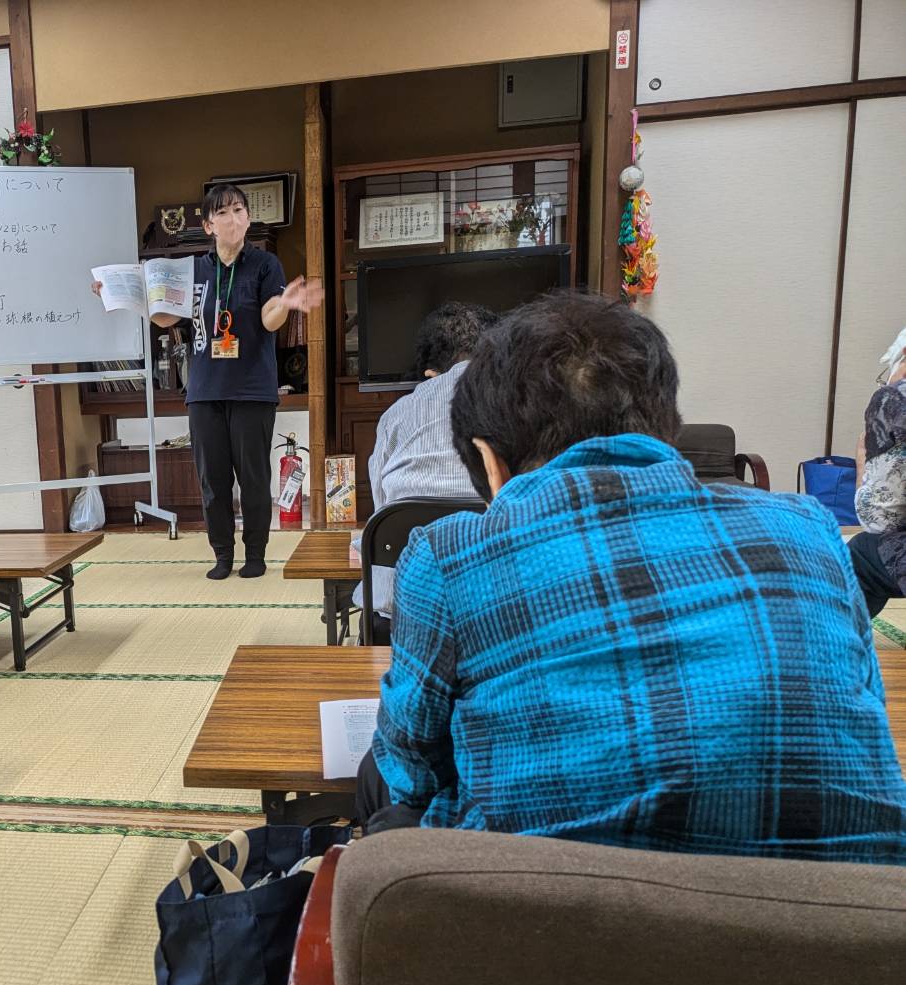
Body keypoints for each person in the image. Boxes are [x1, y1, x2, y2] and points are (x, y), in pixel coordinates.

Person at [357, 290, 906, 865]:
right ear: (666, 425)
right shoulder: (809, 528)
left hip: (550, 904)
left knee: (384, 783)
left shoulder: (450, 555)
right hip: (843, 907)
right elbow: (863, 710)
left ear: (489, 461)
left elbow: (411, 771)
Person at [95, 185, 323, 579]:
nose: (233, 218)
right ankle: (222, 554)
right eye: (223, 212)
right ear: (208, 225)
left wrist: (285, 303)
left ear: (248, 218)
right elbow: (166, 316)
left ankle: (255, 554)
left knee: (254, 478)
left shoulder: (265, 264)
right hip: (204, 391)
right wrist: (123, 296)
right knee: (212, 480)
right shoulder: (193, 270)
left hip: (252, 390)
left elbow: (269, 318)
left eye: (239, 210)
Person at [359, 302, 496, 620]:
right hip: (493, 604)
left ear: (431, 370)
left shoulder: (397, 413)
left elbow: (381, 507)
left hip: (405, 604)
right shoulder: (517, 405)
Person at [847, 324, 906, 616]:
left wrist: (862, 460)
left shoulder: (894, 399)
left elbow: (881, 519)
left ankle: (840, 640)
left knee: (862, 552)